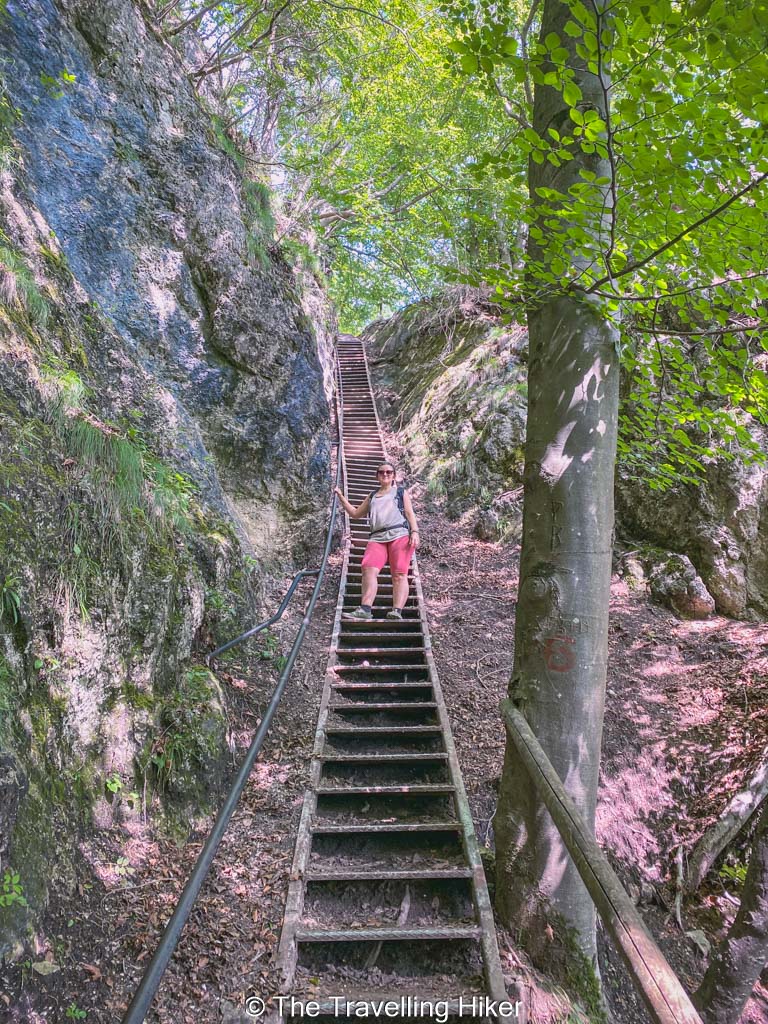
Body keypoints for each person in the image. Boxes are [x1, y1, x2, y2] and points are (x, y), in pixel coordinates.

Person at [334, 461, 420, 620]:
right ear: (377, 476)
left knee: (399, 574)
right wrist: (340, 496)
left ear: (393, 475)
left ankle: (397, 611)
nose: (385, 474)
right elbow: (355, 513)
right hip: (377, 537)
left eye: (388, 472)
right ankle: (365, 609)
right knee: (368, 568)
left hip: (399, 534)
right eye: (381, 472)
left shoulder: (400, 492)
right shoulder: (372, 496)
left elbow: (409, 513)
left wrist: (414, 531)